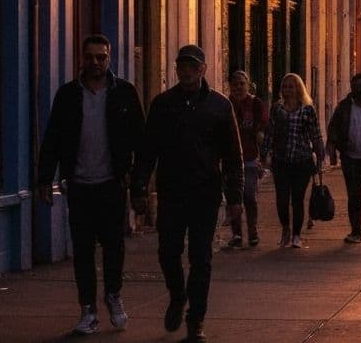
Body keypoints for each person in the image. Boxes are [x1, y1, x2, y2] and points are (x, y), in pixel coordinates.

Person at [131, 44, 242, 343]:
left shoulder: (219, 106)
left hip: (206, 193)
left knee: (201, 257)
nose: (187, 72)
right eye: (182, 66)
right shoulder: (163, 105)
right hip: (172, 191)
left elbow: (233, 156)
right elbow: (147, 150)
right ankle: (178, 295)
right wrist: (139, 187)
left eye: (193, 66)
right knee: (168, 251)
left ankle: (196, 320)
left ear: (203, 69)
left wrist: (235, 199)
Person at [37, 34, 145, 335]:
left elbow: (140, 139)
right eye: (90, 57)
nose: (95, 62)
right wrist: (44, 178)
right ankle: (87, 309)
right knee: (83, 250)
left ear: (109, 58)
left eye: (101, 57)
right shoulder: (68, 95)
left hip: (112, 183)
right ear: (82, 59)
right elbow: (53, 139)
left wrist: (137, 183)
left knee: (114, 246)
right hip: (80, 185)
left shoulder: (124, 93)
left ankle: (113, 295)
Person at [261, 73, 324, 248]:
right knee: (281, 198)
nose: (287, 90)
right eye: (285, 86)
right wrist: (264, 153)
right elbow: (270, 133)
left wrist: (320, 156)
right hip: (281, 160)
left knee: (298, 199)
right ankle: (285, 230)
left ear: (298, 88)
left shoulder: (307, 110)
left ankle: (297, 234)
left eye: (291, 86)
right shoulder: (277, 109)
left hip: (302, 161)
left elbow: (315, 134)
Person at [326, 72, 361, 243]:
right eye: (356, 88)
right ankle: (356, 231)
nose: (360, 92)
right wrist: (332, 148)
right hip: (350, 157)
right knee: (353, 195)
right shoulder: (344, 107)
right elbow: (334, 128)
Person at [226, 70, 268, 248]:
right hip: (230, 158)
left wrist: (263, 154)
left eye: (242, 84)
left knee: (249, 196)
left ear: (248, 85)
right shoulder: (226, 104)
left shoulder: (255, 103)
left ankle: (252, 231)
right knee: (233, 198)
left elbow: (264, 124)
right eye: (235, 84)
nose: (238, 87)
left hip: (250, 157)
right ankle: (236, 234)